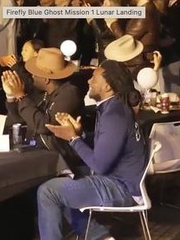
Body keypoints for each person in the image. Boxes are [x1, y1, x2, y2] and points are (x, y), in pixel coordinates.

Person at [38, 60, 148, 240]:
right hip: (119, 182)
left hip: (121, 188)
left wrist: (73, 139)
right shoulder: (113, 108)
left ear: (107, 86)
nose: (89, 81)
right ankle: (101, 237)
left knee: (48, 191)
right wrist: (79, 134)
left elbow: (101, 165)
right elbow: (108, 146)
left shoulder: (114, 114)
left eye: (94, 77)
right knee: (63, 177)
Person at [2, 48, 83, 167]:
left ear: (46, 79)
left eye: (35, 74)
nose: (32, 77)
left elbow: (44, 125)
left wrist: (21, 95)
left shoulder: (69, 94)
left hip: (59, 159)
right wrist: (11, 96)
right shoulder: (42, 92)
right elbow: (19, 119)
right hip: (35, 150)